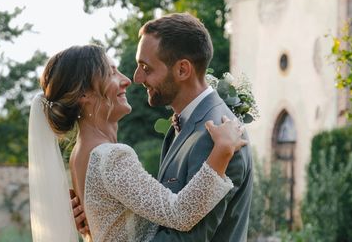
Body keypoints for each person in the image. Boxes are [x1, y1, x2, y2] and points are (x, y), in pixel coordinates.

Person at [28, 44, 247, 242]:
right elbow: (180, 213)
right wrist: (223, 150)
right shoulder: (111, 157)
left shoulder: (79, 156)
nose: (126, 80)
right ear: (84, 94)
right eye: (111, 72)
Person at [74, 13, 254, 241]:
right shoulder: (184, 125)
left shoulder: (217, 135)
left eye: (146, 68)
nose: (136, 78)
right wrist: (105, 218)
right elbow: (164, 212)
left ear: (182, 70)